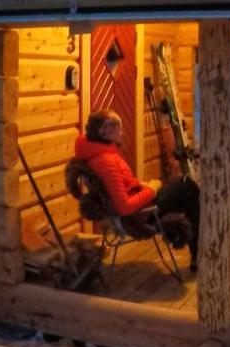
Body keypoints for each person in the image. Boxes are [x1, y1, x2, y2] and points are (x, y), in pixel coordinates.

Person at [74, 109, 200, 271]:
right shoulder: (105, 163)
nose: (122, 133)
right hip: (142, 216)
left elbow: (124, 185)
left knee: (187, 192)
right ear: (105, 131)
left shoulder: (96, 153)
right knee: (188, 187)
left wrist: (142, 185)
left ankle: (195, 246)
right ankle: (197, 252)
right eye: (119, 129)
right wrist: (152, 188)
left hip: (139, 205)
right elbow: (123, 207)